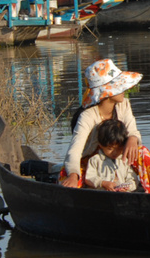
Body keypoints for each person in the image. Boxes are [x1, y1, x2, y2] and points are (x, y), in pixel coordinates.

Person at [60, 58, 143, 188]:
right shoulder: (87, 116)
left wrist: (133, 138)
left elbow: (132, 129)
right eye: (119, 87)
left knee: (142, 152)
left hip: (118, 156)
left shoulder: (124, 105)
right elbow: (74, 151)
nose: (124, 90)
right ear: (108, 92)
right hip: (91, 160)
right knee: (69, 181)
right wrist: (73, 176)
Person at [84, 119, 150, 193]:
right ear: (101, 145)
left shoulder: (124, 160)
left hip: (123, 193)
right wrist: (102, 183)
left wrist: (127, 188)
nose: (115, 152)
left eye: (118, 149)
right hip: (104, 194)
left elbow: (132, 179)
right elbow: (89, 178)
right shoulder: (95, 160)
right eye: (110, 149)